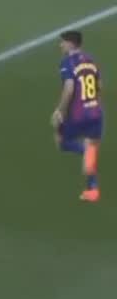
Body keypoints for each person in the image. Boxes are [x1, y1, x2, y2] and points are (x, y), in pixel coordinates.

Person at [51, 29, 103, 201]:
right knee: (91, 150)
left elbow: (69, 88)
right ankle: (92, 190)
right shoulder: (91, 60)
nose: (60, 45)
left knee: (61, 141)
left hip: (79, 115)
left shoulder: (67, 62)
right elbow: (99, 85)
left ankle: (84, 151)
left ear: (71, 44)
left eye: (63, 42)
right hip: (96, 113)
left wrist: (60, 110)